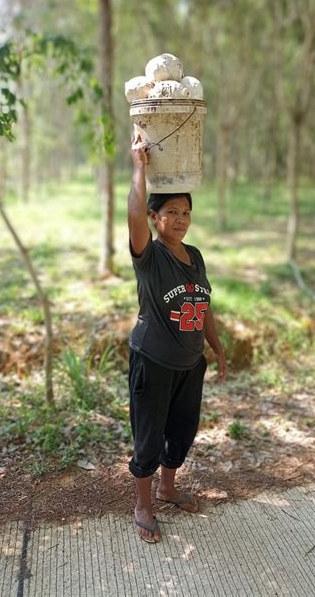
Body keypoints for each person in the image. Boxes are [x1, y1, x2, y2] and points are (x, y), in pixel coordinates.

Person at [128, 142, 226, 543]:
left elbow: (203, 305)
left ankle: (168, 488)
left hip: (190, 364)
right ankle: (143, 505)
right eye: (171, 212)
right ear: (155, 217)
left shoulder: (195, 255)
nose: (181, 219)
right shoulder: (149, 255)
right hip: (153, 361)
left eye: (186, 212)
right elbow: (132, 211)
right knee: (149, 434)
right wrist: (138, 166)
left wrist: (216, 348)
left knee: (182, 432)